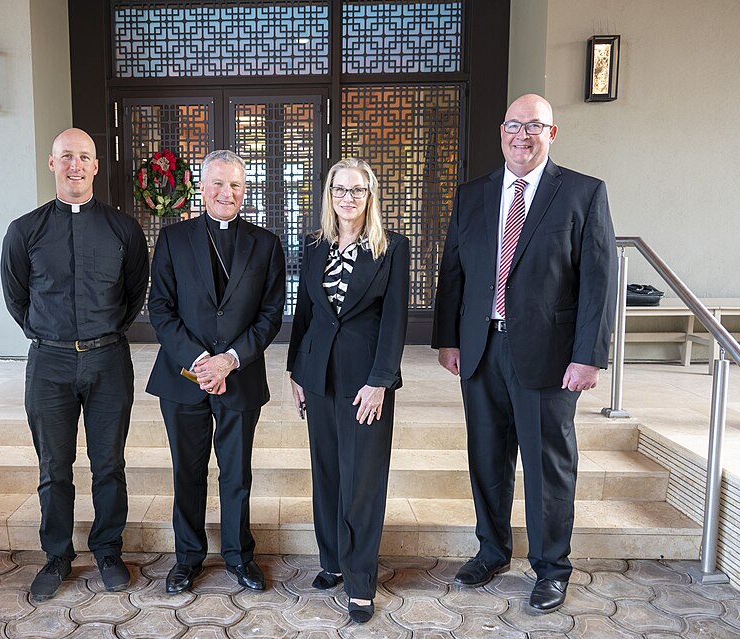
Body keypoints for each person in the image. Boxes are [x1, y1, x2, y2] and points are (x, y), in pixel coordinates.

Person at [432, 94, 618, 612]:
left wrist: (589, 356)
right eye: (514, 124)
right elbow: (454, 273)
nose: (522, 135)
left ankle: (552, 568)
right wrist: (449, 338)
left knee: (546, 466)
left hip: (551, 356)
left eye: (534, 126)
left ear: (551, 134)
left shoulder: (582, 193)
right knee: (487, 458)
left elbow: (599, 283)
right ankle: (492, 550)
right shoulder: (474, 194)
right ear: (501, 130)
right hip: (481, 349)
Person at [0, 127, 149, 600]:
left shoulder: (123, 228)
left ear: (97, 166)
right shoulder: (25, 230)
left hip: (108, 360)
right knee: (54, 468)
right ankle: (57, 554)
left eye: (84, 157)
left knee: (108, 464)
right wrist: (51, 335)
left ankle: (107, 550)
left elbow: (133, 294)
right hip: (49, 363)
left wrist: (102, 335)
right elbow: (16, 296)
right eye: (66, 157)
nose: (75, 165)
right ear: (52, 164)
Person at [146, 150, 286, 595]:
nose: (227, 193)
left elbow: (270, 314)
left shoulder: (265, 243)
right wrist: (200, 361)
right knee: (188, 471)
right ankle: (187, 557)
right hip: (183, 378)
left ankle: (239, 555)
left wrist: (230, 360)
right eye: (218, 184)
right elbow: (161, 309)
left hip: (240, 376)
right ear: (201, 188)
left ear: (246, 191)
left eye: (237, 186)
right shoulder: (173, 239)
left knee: (236, 472)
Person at [287, 158, 409, 624]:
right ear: (329, 194)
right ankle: (333, 561)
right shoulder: (314, 244)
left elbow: (395, 320)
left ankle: (360, 581)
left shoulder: (391, 247)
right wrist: (297, 372)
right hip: (318, 375)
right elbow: (304, 314)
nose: (348, 198)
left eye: (357, 190)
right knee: (328, 475)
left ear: (370, 195)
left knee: (361, 481)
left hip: (365, 380)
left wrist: (381, 380)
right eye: (340, 189)